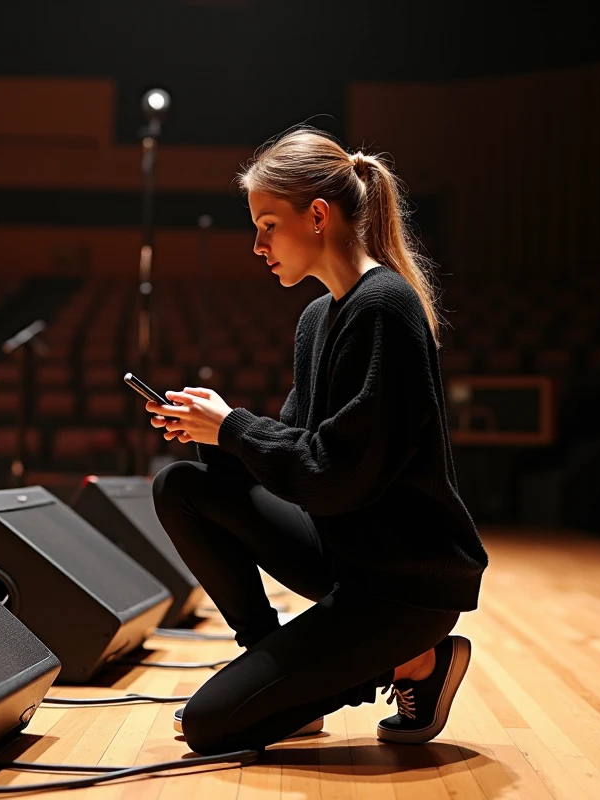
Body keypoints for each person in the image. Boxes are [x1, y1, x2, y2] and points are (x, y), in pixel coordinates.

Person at [145, 126, 488, 755]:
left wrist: (233, 426)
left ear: (319, 216)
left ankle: (419, 660)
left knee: (209, 727)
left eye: (268, 225)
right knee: (183, 486)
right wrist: (211, 433)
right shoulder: (318, 317)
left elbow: (334, 477)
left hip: (403, 583)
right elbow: (292, 461)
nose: (258, 245)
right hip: (348, 552)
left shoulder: (384, 307)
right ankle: (273, 664)